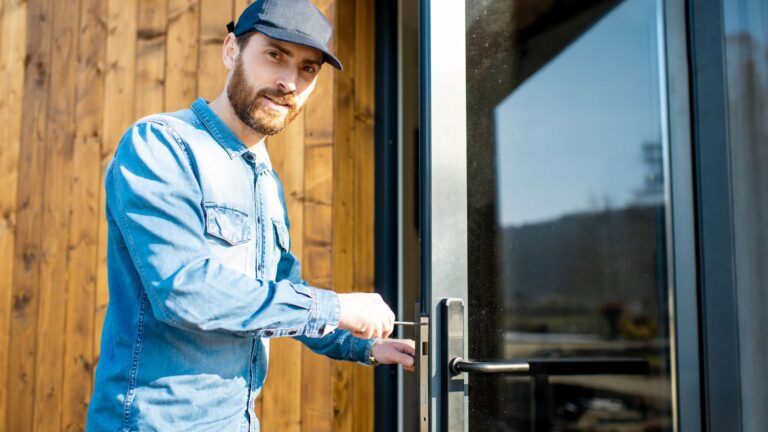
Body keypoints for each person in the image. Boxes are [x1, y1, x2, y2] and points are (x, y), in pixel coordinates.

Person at [85, 1, 414, 430]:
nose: (288, 82)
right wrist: (335, 308)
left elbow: (280, 292)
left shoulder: (264, 178)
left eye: (308, 69)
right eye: (275, 54)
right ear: (230, 50)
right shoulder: (160, 144)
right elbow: (185, 290)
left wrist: (362, 346)